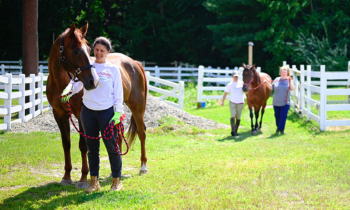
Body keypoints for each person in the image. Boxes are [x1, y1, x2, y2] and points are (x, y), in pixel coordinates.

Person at [60, 37, 124, 193]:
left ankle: (116, 181)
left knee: (112, 147)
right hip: (88, 112)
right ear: (93, 51)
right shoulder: (87, 66)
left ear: (108, 52)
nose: (99, 53)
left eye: (102, 50)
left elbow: (118, 93)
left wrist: (118, 113)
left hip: (107, 112)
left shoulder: (113, 69)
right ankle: (94, 182)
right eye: (97, 50)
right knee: (92, 149)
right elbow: (76, 83)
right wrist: (68, 90)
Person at [268, 65, 295, 134]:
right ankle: (278, 127)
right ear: (280, 73)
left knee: (283, 116)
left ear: (287, 73)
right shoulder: (277, 79)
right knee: (277, 116)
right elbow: (271, 88)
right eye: (282, 72)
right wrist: (266, 83)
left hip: (285, 102)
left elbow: (292, 89)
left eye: (285, 72)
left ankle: (281, 129)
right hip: (276, 102)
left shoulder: (289, 80)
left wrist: (290, 81)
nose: (283, 74)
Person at [221, 70, 245, 136]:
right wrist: (222, 101)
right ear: (232, 77)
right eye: (234, 77)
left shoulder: (242, 83)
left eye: (237, 77)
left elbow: (247, 91)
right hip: (232, 103)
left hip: (240, 103)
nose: (236, 78)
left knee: (238, 117)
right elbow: (225, 93)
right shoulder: (230, 84)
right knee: (233, 115)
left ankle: (236, 131)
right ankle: (233, 130)